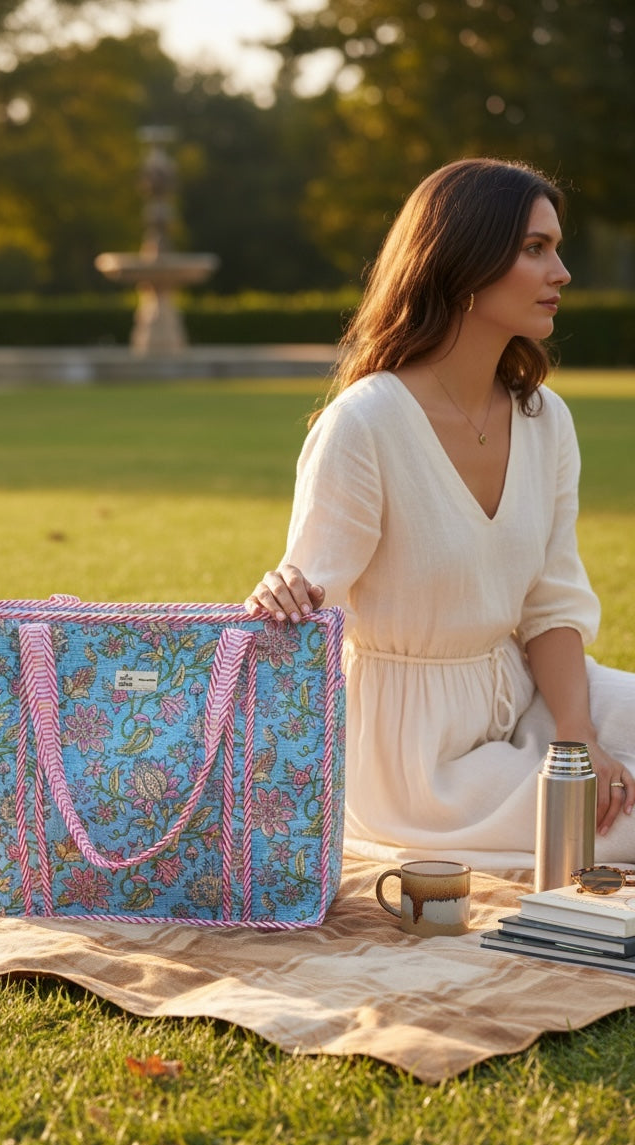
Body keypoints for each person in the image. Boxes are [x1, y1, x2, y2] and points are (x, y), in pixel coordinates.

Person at [245, 157, 635, 872]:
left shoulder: (545, 420)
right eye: (534, 249)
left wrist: (576, 738)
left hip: (522, 693)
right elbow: (308, 608)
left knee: (609, 775)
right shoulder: (365, 424)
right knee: (616, 824)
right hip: (411, 757)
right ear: (463, 263)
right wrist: (282, 594)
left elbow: (551, 603)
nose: (562, 272)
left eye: (555, 247)